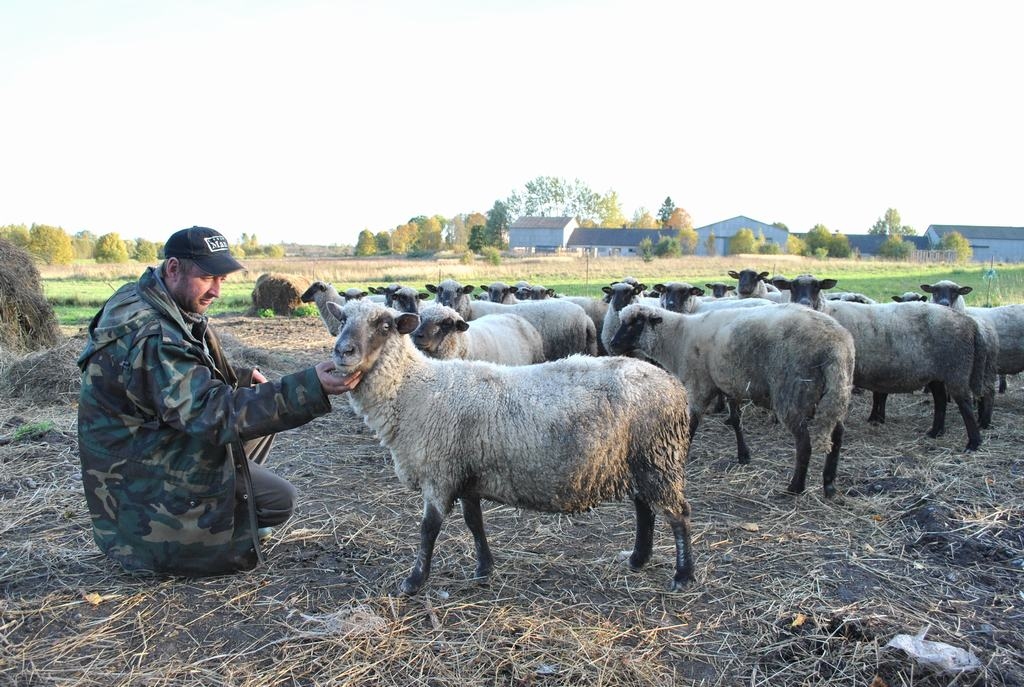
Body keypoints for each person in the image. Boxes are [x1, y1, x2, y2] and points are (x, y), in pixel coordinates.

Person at [77, 226, 360, 576]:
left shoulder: (141, 296)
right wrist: (309, 386)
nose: (216, 290)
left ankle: (228, 494)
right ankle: (203, 532)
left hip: (137, 450)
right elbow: (214, 414)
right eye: (207, 277)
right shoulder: (155, 335)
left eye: (221, 278)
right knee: (279, 500)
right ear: (173, 268)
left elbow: (171, 379)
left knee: (260, 413)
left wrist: (240, 378)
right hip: (139, 482)